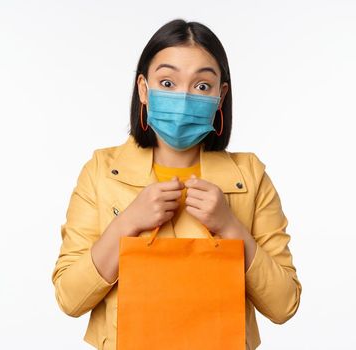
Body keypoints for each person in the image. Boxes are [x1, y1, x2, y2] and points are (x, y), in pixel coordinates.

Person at [51, 19, 302, 349]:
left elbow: (284, 305)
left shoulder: (249, 176)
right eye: (167, 82)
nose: (183, 99)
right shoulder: (102, 171)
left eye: (201, 86)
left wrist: (230, 227)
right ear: (143, 89)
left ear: (220, 95)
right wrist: (127, 222)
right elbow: (70, 298)